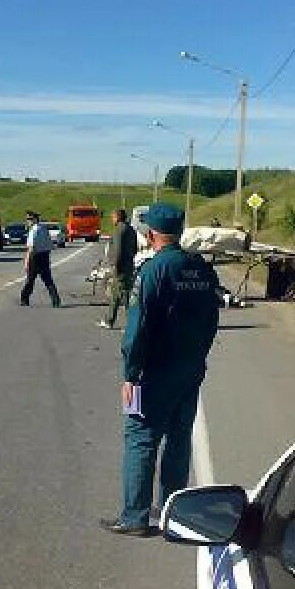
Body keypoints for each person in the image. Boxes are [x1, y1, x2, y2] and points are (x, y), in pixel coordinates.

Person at [100, 203, 220, 536]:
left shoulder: (153, 271)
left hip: (153, 372)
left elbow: (137, 329)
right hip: (190, 370)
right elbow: (212, 321)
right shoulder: (201, 270)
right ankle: (172, 510)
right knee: (179, 439)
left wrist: (130, 374)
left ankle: (135, 516)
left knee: (139, 436)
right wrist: (198, 357)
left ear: (150, 234)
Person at [97, 209, 138, 329]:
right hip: (128, 265)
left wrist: (115, 264)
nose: (112, 219)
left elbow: (117, 249)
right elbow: (135, 249)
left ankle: (133, 322)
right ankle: (110, 320)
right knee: (117, 294)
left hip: (120, 267)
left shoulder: (119, 230)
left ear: (117, 217)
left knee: (124, 295)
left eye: (113, 217)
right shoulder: (131, 229)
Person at [20, 211, 61, 307]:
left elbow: (30, 247)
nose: (27, 221)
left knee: (30, 280)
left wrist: (26, 262)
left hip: (35, 257)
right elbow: (50, 245)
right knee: (48, 280)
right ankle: (56, 301)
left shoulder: (33, 231)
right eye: (27, 219)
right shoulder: (44, 229)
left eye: (29, 219)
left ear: (34, 219)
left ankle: (24, 299)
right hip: (44, 256)